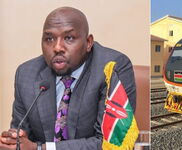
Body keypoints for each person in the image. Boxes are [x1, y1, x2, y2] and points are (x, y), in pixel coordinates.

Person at [0, 6, 136, 150]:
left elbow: (110, 143)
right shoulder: (27, 74)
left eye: (69, 38)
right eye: (49, 38)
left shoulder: (112, 68)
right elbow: (21, 135)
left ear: (88, 42)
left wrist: (39, 148)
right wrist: (13, 141)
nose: (57, 47)